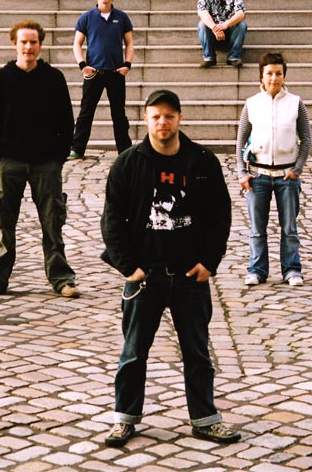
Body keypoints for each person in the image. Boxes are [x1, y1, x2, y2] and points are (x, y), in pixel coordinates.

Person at [100, 89, 239, 447]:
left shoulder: (202, 161)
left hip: (190, 276)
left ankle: (205, 419)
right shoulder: (129, 164)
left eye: (169, 116)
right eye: (156, 116)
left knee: (198, 353)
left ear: (179, 118)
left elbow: (220, 214)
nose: (162, 122)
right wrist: (128, 267)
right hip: (145, 277)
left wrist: (210, 262)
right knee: (133, 353)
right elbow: (112, 219)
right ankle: (124, 418)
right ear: (146, 119)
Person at [0, 19, 79, 300]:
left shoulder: (54, 78)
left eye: (33, 42)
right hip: (9, 162)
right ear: (14, 44)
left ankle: (61, 278)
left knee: (53, 222)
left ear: (40, 45)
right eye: (24, 42)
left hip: (46, 163)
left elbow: (66, 120)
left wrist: (58, 157)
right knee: (3, 222)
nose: (29, 47)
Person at [236, 52, 312, 286]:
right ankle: (256, 270)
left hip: (286, 176)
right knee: (257, 229)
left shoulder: (295, 103)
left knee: (289, 228)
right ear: (261, 76)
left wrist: (297, 168)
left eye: (278, 73)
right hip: (258, 175)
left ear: (284, 76)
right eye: (269, 73)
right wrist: (241, 172)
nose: (274, 78)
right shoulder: (251, 104)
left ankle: (292, 270)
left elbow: (306, 138)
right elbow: (240, 139)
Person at [69, 0, 134, 159]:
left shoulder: (122, 17)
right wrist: (82, 65)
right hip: (94, 73)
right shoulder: (87, 17)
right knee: (86, 112)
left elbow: (129, 43)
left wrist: (127, 65)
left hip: (115, 73)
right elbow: (77, 43)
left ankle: (124, 150)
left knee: (119, 114)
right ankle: (77, 148)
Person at [197, 0, 247, 68]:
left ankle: (233, 57)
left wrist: (225, 25)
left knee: (242, 25)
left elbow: (241, 13)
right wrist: (215, 28)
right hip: (212, 35)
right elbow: (202, 12)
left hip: (229, 34)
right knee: (202, 24)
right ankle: (209, 58)